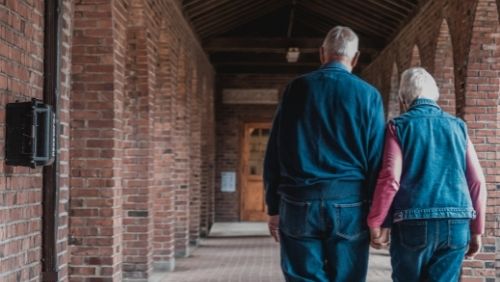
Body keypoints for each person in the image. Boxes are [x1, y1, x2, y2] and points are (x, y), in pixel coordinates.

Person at [263, 26, 386, 281]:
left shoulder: (296, 89)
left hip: (298, 201)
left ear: (322, 53)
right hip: (350, 203)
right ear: (355, 57)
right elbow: (377, 160)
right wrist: (377, 215)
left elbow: (275, 150)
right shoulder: (368, 95)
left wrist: (273, 207)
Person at [367, 67, 487, 282]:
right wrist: (477, 230)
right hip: (457, 222)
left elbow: (390, 179)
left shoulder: (398, 126)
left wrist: (377, 222)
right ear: (435, 95)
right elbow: (476, 181)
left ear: (403, 99)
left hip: (413, 221)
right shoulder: (459, 126)